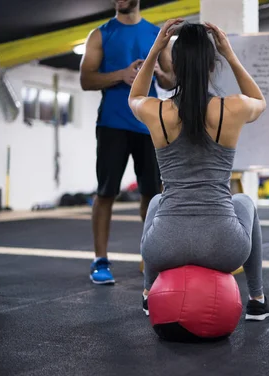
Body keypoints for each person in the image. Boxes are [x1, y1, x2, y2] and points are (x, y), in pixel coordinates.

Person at [128, 19, 269, 321]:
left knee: (157, 201)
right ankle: (257, 300)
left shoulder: (158, 111)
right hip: (224, 248)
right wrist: (230, 54)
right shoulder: (230, 108)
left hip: (164, 247)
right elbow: (260, 101)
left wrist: (156, 49)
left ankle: (146, 294)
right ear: (212, 65)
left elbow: (134, 98)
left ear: (175, 65)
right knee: (244, 201)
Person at [80, 0, 176, 285]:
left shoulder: (155, 35)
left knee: (152, 193)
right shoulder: (100, 34)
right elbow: (86, 79)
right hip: (112, 123)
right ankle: (100, 260)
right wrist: (121, 75)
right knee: (106, 192)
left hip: (148, 122)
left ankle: (151, 255)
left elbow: (172, 80)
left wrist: (158, 74)